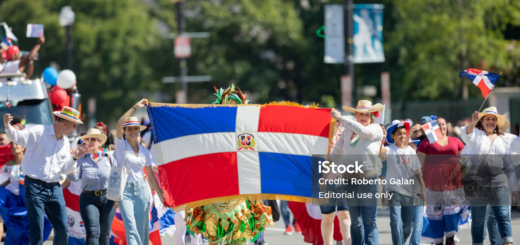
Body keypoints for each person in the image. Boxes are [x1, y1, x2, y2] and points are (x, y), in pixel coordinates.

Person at [185, 85, 274, 245]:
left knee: (239, 236)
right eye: (227, 108)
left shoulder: (246, 136)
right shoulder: (211, 135)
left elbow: (252, 159)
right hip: (215, 194)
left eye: (234, 108)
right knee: (214, 235)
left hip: (239, 194)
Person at [3, 106, 87, 245]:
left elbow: (65, 169)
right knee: (37, 228)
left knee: (62, 228)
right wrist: (7, 125)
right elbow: (17, 137)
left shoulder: (65, 142)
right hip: (34, 186)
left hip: (55, 188)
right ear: (65, 123)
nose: (74, 129)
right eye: (73, 125)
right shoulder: (39, 131)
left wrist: (75, 158)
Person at [461, 107, 518, 245]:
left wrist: (514, 187)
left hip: (500, 184)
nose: (491, 121)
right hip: (477, 185)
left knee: (503, 216)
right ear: (482, 121)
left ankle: (508, 243)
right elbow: (466, 134)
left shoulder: (505, 138)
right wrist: (473, 122)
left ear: (497, 123)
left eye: (494, 119)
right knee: (478, 221)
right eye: (487, 118)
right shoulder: (475, 134)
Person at [330, 100, 384, 245]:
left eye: (367, 114)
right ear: (355, 115)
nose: (363, 117)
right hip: (349, 182)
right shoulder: (347, 131)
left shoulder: (376, 128)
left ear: (372, 116)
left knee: (369, 222)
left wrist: (342, 118)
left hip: (369, 181)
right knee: (355, 222)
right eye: (360, 113)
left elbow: (364, 131)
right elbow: (335, 154)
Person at [115, 99, 164, 245]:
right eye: (129, 129)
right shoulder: (120, 146)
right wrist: (136, 107)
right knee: (131, 228)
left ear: (138, 131)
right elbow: (119, 122)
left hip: (142, 189)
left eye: (135, 129)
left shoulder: (144, 150)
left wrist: (161, 196)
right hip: (125, 191)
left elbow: (150, 176)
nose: (132, 131)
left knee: (143, 231)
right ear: (124, 131)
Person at [417, 116, 467, 245]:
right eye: (438, 125)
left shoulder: (455, 141)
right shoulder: (426, 143)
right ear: (433, 127)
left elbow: (466, 160)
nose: (442, 127)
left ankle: (450, 240)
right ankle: (438, 242)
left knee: (451, 217)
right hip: (433, 186)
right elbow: (418, 166)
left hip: (454, 185)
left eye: (444, 124)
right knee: (436, 217)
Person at [378, 122, 426, 245]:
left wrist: (422, 188)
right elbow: (379, 153)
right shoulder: (390, 149)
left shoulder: (410, 150)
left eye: (404, 134)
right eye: (399, 134)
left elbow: (417, 171)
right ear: (392, 136)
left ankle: (402, 241)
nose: (402, 136)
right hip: (394, 189)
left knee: (408, 223)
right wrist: (382, 137)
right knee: (395, 219)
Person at [67, 128, 117, 245]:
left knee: (104, 234)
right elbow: (73, 178)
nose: (89, 142)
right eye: (87, 139)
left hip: (108, 198)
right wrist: (73, 160)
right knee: (93, 232)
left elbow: (117, 177)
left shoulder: (109, 157)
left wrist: (117, 196)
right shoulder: (81, 159)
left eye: (93, 139)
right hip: (88, 199)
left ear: (100, 142)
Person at [319, 118, 351, 245]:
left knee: (345, 215)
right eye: (335, 119)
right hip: (325, 181)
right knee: (327, 217)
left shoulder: (347, 135)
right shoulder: (320, 138)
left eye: (340, 119)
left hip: (344, 179)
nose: (338, 121)